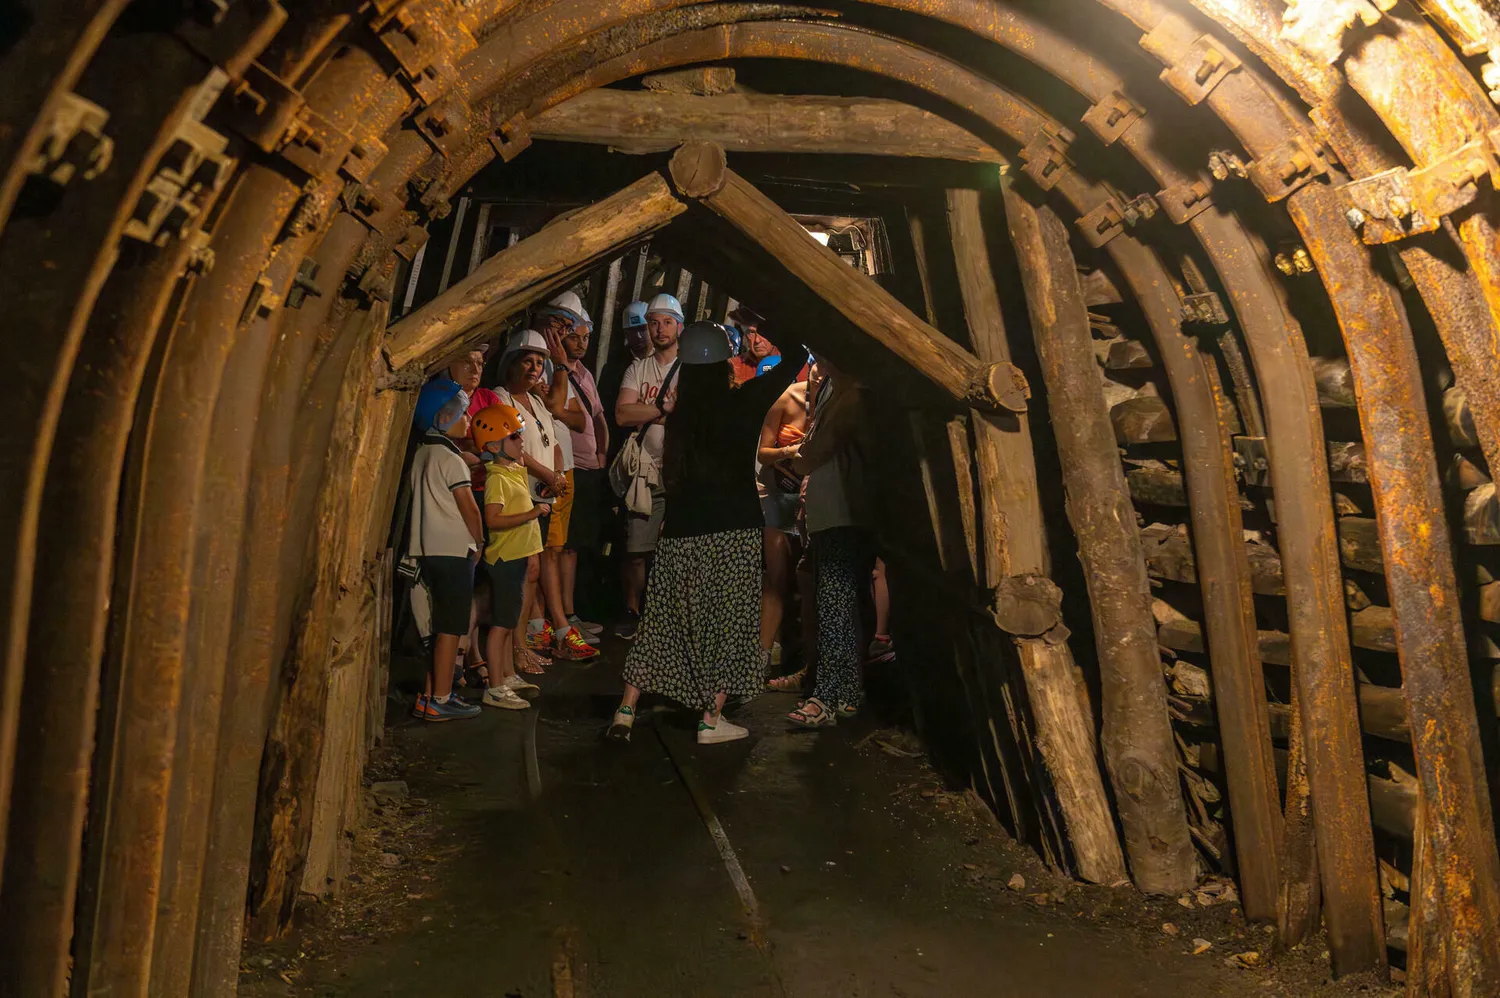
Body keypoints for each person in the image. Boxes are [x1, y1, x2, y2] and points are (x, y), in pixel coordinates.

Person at [608, 320, 801, 745]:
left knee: (663, 617)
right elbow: (797, 356)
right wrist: (769, 318)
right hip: (734, 527)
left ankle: (626, 708)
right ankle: (710, 720)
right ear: (727, 362)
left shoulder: (677, 413)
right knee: (728, 621)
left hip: (681, 527)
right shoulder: (747, 401)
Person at [494, 329, 598, 663]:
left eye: (540, 362)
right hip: (516, 496)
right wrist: (548, 476)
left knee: (533, 570)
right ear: (511, 363)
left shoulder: (537, 401)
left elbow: (552, 441)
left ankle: (523, 643)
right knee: (525, 572)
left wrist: (555, 477)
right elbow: (512, 448)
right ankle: (516, 647)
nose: (534, 368)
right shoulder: (501, 397)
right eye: (528, 360)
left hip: (539, 498)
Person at [785, 356, 873, 728]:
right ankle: (847, 694)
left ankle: (829, 696)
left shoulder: (852, 394)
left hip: (843, 513)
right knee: (839, 605)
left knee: (836, 606)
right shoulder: (835, 390)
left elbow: (812, 454)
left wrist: (801, 455)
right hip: (831, 512)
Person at [407, 377, 484, 721]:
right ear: (443, 417)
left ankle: (429, 694)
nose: (468, 421)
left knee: (436, 629)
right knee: (452, 628)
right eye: (462, 415)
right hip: (454, 551)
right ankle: (441, 697)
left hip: (426, 550)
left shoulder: (422, 454)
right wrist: (479, 541)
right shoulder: (451, 461)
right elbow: (468, 506)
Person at [612, 292, 684, 639]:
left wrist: (648, 409)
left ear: (679, 326)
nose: (659, 329)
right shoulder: (638, 368)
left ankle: (665, 616)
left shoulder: (690, 368)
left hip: (684, 472)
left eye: (666, 321)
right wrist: (665, 411)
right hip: (645, 470)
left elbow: (692, 417)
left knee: (674, 551)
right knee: (636, 549)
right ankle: (634, 610)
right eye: (653, 322)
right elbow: (623, 414)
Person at [530, 293, 599, 656]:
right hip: (544, 465)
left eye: (567, 327)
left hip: (564, 463)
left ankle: (549, 625)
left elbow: (576, 417)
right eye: (559, 324)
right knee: (542, 550)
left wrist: (557, 401)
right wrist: (558, 369)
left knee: (552, 549)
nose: (563, 332)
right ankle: (552, 626)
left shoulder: (557, 367)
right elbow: (560, 408)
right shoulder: (538, 361)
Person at [471, 404, 545, 710]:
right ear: (493, 445)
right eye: (514, 436)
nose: (521, 441)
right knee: (501, 624)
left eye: (520, 434)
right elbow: (493, 519)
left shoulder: (513, 470)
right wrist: (532, 513)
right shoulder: (498, 477)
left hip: (517, 557)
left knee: (510, 619)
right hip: (504, 559)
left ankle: (508, 674)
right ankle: (496, 686)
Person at [447, 345, 502, 685]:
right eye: (466, 362)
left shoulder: (488, 400)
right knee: (459, 578)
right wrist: (477, 451)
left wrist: (473, 451)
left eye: (480, 363)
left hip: (486, 494)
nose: (475, 369)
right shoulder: (443, 400)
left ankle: (473, 650)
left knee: (484, 579)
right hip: (454, 496)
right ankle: (454, 654)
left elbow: (501, 443)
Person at [754, 361, 813, 672]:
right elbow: (763, 451)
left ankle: (801, 658)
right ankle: (762, 656)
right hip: (780, 495)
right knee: (777, 579)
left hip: (811, 496)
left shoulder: (833, 401)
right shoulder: (787, 398)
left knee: (807, 581)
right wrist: (788, 452)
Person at [558, 303, 609, 643]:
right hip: (569, 466)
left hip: (590, 467)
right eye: (574, 337)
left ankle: (570, 610)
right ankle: (563, 614)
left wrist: (603, 451)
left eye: (586, 337)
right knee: (566, 546)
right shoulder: (557, 373)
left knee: (580, 544)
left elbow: (598, 416)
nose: (581, 343)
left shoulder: (586, 374)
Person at [727, 306, 781, 384]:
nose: (757, 340)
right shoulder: (734, 367)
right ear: (745, 336)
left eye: (761, 333)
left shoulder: (793, 363)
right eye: (750, 333)